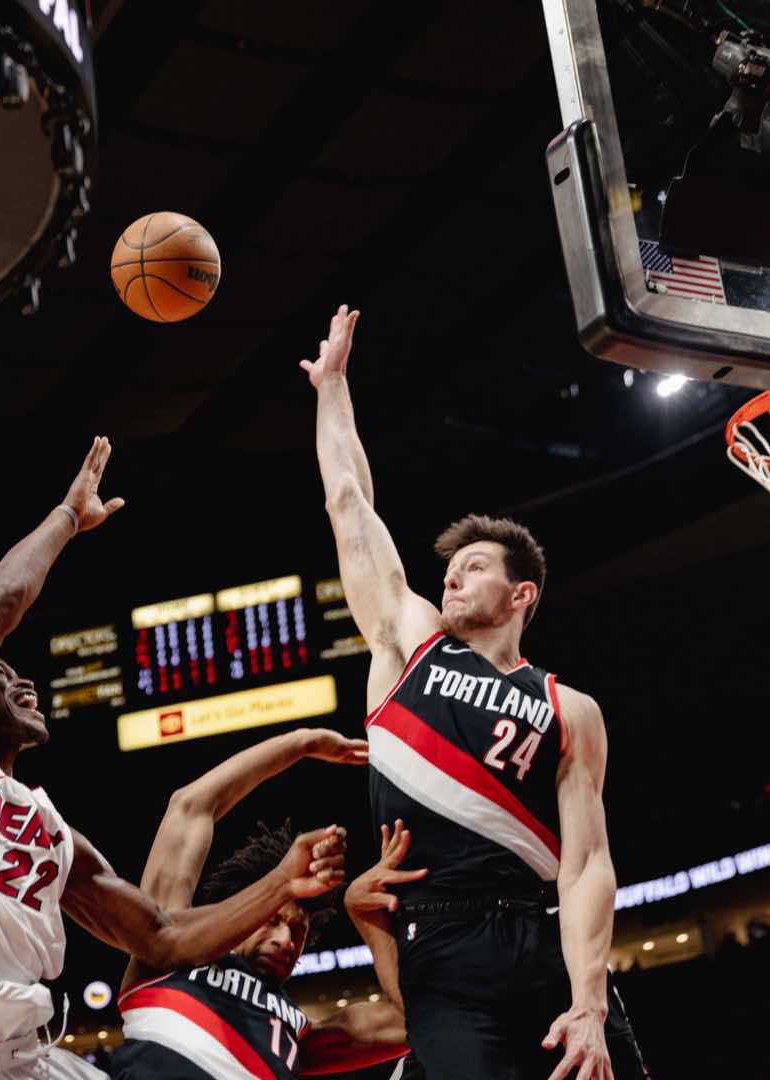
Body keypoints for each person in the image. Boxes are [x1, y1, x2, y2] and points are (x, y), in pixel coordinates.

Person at [0, 438, 349, 1080]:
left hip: (32, 1061)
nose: (26, 684)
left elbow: (161, 938)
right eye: (4, 678)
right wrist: (66, 518)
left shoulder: (52, 833)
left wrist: (283, 883)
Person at [301, 309, 647, 1080]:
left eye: (476, 566)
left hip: (539, 931)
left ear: (522, 593)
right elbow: (350, 504)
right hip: (442, 946)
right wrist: (332, 388)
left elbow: (588, 864)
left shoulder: (569, 708)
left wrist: (589, 1001)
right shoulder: (409, 644)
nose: (453, 574)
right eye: (451, 567)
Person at [111, 727, 410, 1078]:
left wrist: (368, 920)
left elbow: (417, 1018)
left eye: (299, 931)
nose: (286, 941)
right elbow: (191, 807)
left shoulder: (299, 1034)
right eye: (273, 921)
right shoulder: (168, 951)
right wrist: (303, 743)